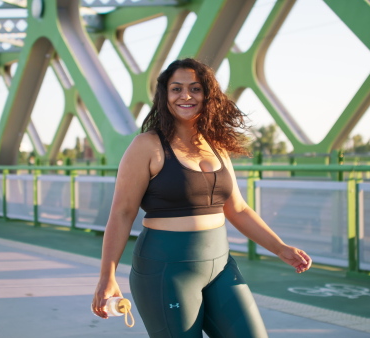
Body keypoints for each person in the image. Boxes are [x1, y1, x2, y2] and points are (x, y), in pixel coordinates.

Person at [92, 58, 312, 337]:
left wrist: (281, 248)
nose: (186, 95)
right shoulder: (147, 145)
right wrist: (106, 277)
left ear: (208, 95)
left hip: (220, 266)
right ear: (165, 95)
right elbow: (122, 213)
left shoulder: (216, 146)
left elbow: (238, 209)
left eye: (195, 88)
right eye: (176, 89)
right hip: (165, 271)